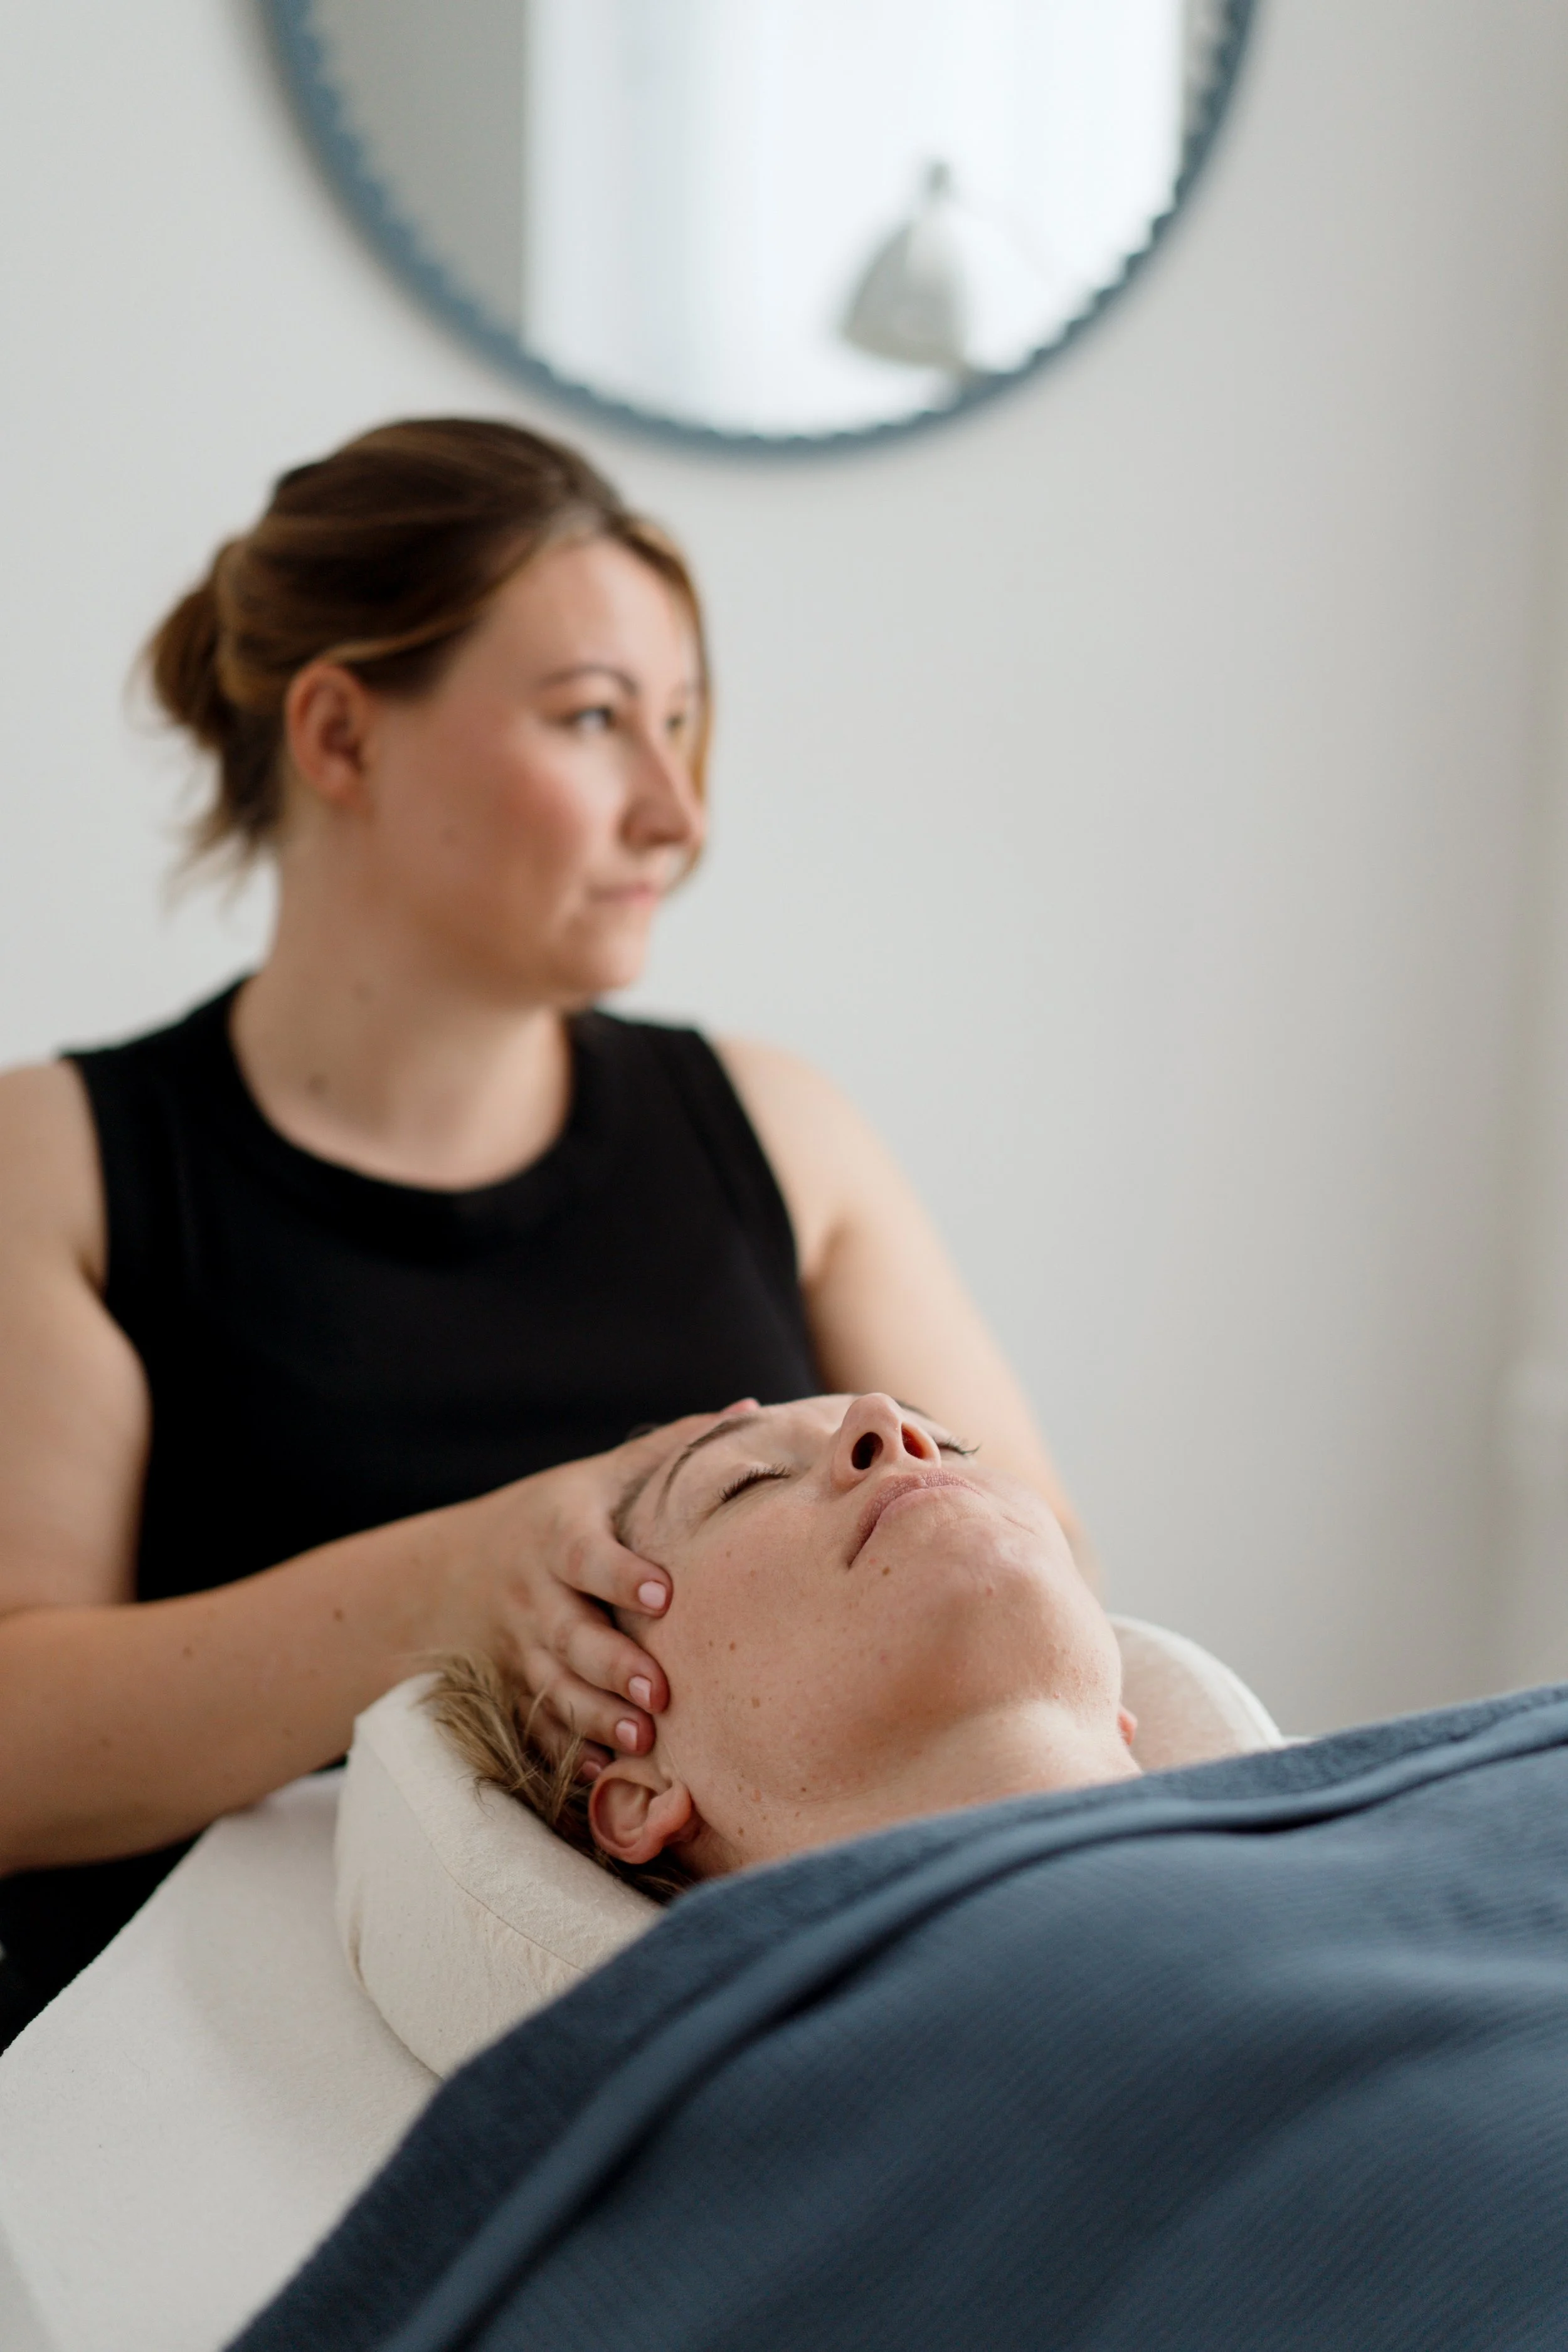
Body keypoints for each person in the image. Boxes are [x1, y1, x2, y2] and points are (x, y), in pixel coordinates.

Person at [0, 417, 1075, 2028]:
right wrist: (456, 1582)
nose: (675, 813)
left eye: (684, 729)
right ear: (341, 736)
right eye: (593, 721)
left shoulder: (780, 1128)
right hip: (211, 2065)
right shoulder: (59, 1165)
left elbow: (1035, 1587)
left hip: (784, 2032)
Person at [433, 1389, 1136, 1895]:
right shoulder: (682, 2087)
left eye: (951, 1445)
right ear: (645, 1792)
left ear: (1122, 1716)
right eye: (747, 1483)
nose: (886, 1420)